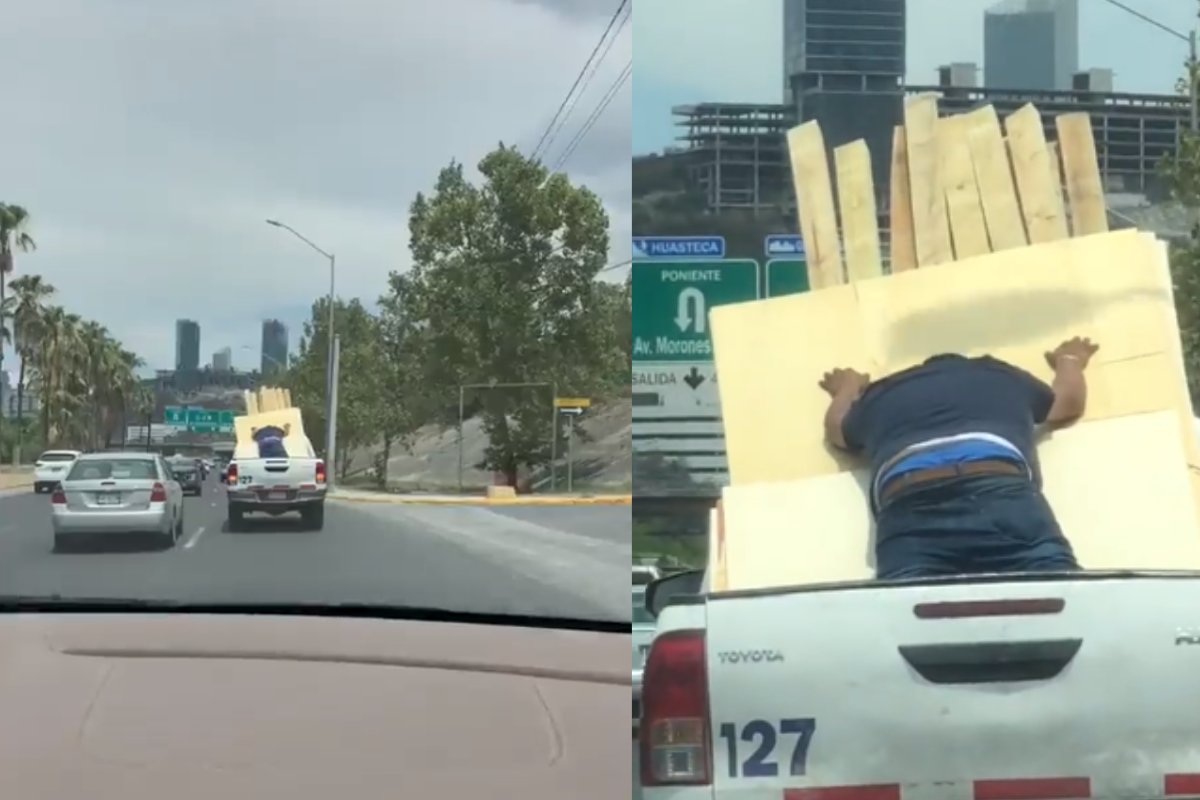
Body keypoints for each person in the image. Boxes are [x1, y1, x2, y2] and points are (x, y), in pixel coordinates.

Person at [819, 337, 1098, 579]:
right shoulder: (999, 375)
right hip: (998, 488)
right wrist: (1070, 359)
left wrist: (847, 387)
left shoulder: (883, 393)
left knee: (911, 613)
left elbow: (837, 431)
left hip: (910, 501)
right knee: (1057, 590)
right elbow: (1068, 402)